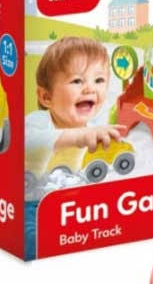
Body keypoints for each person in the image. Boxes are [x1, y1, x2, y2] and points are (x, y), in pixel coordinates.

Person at [25, 36, 126, 178]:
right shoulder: (39, 121)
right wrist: (79, 137)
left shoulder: (93, 128)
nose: (90, 89)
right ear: (47, 97)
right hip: (33, 185)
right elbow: (27, 140)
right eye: (77, 81)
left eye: (99, 80)